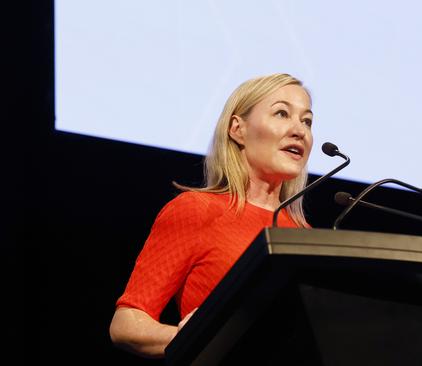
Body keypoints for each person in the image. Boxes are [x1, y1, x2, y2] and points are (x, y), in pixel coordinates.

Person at [109, 73, 314, 358]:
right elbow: (126, 325)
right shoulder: (197, 210)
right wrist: (195, 336)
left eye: (307, 121)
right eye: (282, 113)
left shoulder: (306, 236)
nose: (299, 131)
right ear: (237, 129)